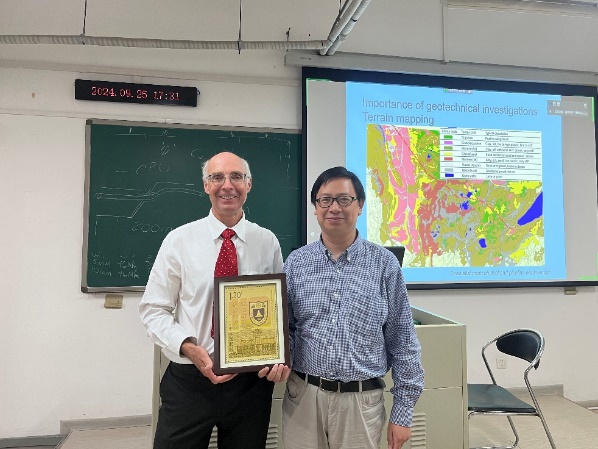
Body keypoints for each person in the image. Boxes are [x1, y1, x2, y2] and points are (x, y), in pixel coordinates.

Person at [140, 151, 291, 449]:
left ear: (249, 184)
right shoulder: (179, 241)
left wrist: (278, 354)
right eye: (217, 177)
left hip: (251, 385)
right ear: (206, 185)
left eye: (236, 177)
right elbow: (153, 310)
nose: (227, 185)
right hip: (189, 381)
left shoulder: (267, 242)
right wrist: (189, 347)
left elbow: (276, 310)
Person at [282, 166, 424, 449]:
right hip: (304, 398)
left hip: (361, 402)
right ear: (315, 208)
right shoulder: (296, 263)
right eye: (325, 200)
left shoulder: (384, 264)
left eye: (344, 199)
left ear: (359, 206)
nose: (334, 207)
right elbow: (286, 329)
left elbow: (403, 341)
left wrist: (403, 412)